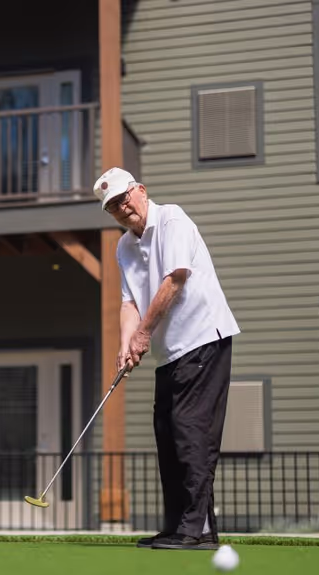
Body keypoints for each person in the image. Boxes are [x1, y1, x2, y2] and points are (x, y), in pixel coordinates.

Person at [95, 167, 239, 550]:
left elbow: (174, 280)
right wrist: (127, 343)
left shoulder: (172, 219)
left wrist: (143, 334)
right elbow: (129, 301)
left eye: (125, 198)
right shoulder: (124, 247)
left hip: (203, 337)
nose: (122, 208)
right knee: (168, 434)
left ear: (140, 191)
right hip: (169, 352)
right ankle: (181, 526)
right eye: (112, 206)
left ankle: (197, 530)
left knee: (190, 430)